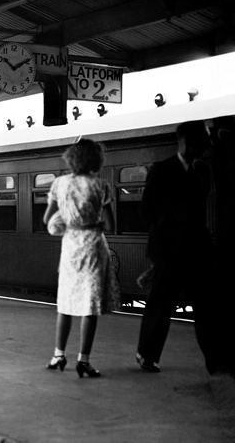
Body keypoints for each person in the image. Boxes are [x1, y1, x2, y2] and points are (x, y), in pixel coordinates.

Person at [136, 121, 219, 374]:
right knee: (161, 305)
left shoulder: (202, 171)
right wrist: (160, 251)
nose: (208, 143)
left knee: (207, 307)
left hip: (197, 249)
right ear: (185, 140)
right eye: (204, 138)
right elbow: (148, 210)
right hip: (168, 251)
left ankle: (216, 362)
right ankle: (147, 355)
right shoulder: (161, 170)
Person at [43, 139, 119, 378]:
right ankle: (83, 360)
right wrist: (91, 222)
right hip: (93, 247)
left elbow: (47, 218)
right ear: (96, 160)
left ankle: (58, 355)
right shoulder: (101, 186)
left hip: (70, 247)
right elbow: (110, 226)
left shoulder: (59, 183)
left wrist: (70, 221)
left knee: (65, 303)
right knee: (90, 305)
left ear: (72, 158)